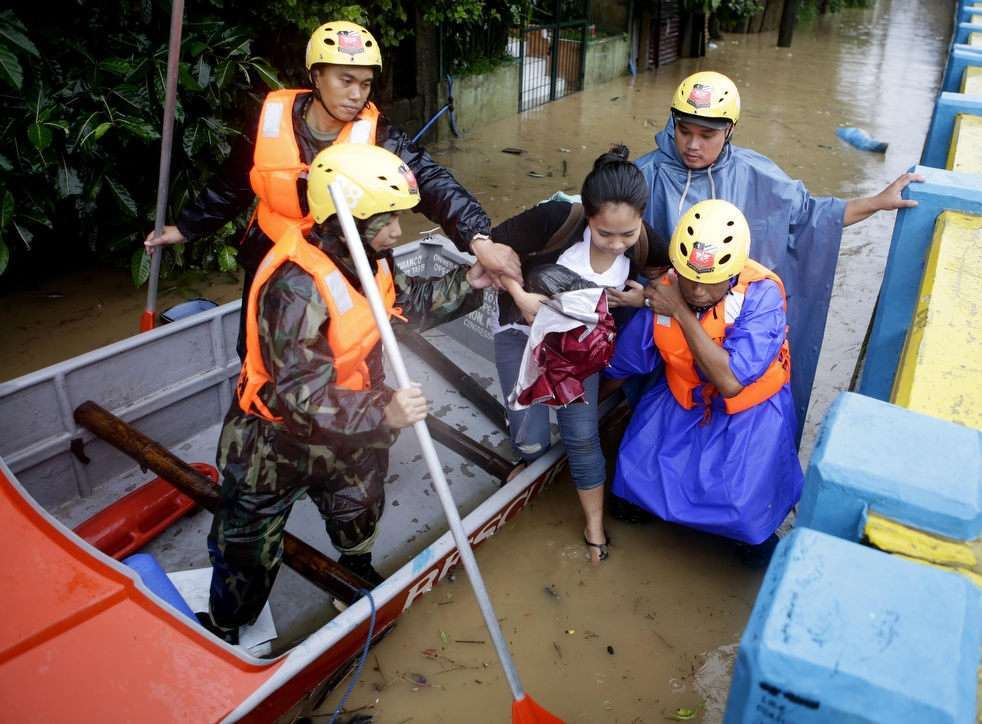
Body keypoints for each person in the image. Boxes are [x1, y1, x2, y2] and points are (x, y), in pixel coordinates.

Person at [202, 144, 490, 644]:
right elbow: (301, 398)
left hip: (352, 428)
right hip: (272, 443)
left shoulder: (370, 258)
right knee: (245, 549)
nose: (398, 233)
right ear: (342, 219)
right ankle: (228, 625)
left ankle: (353, 571)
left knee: (359, 508)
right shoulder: (295, 287)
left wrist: (469, 281)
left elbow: (405, 306)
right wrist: (387, 410)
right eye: (386, 220)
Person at [145, 20, 519, 355]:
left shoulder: (379, 135)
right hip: (274, 259)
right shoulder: (271, 121)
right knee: (260, 350)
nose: (357, 95)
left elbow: (432, 181)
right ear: (316, 76)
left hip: (348, 262)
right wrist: (186, 228)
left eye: (366, 83)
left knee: (353, 348)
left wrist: (478, 240)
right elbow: (233, 183)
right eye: (346, 80)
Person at [635, 71, 922, 435]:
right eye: (684, 130)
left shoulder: (755, 174)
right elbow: (610, 231)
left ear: (730, 130)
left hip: (731, 329)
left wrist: (877, 202)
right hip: (664, 323)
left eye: (707, 135)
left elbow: (812, 218)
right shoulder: (646, 174)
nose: (693, 144)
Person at [489, 146, 669, 563]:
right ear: (588, 217)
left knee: (583, 437)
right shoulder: (556, 220)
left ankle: (593, 527)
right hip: (524, 335)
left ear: (640, 218)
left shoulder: (643, 240)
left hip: (578, 348)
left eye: (628, 234)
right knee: (530, 441)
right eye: (606, 234)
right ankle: (527, 452)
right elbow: (491, 249)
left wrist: (641, 299)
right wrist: (521, 294)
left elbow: (662, 279)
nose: (618, 245)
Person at [607, 199, 802, 562]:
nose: (696, 291)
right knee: (627, 496)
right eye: (689, 278)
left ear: (731, 274)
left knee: (747, 527)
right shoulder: (664, 290)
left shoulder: (762, 298)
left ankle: (750, 537)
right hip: (682, 402)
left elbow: (731, 381)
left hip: (746, 417)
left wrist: (678, 311)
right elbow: (626, 363)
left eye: (708, 282)